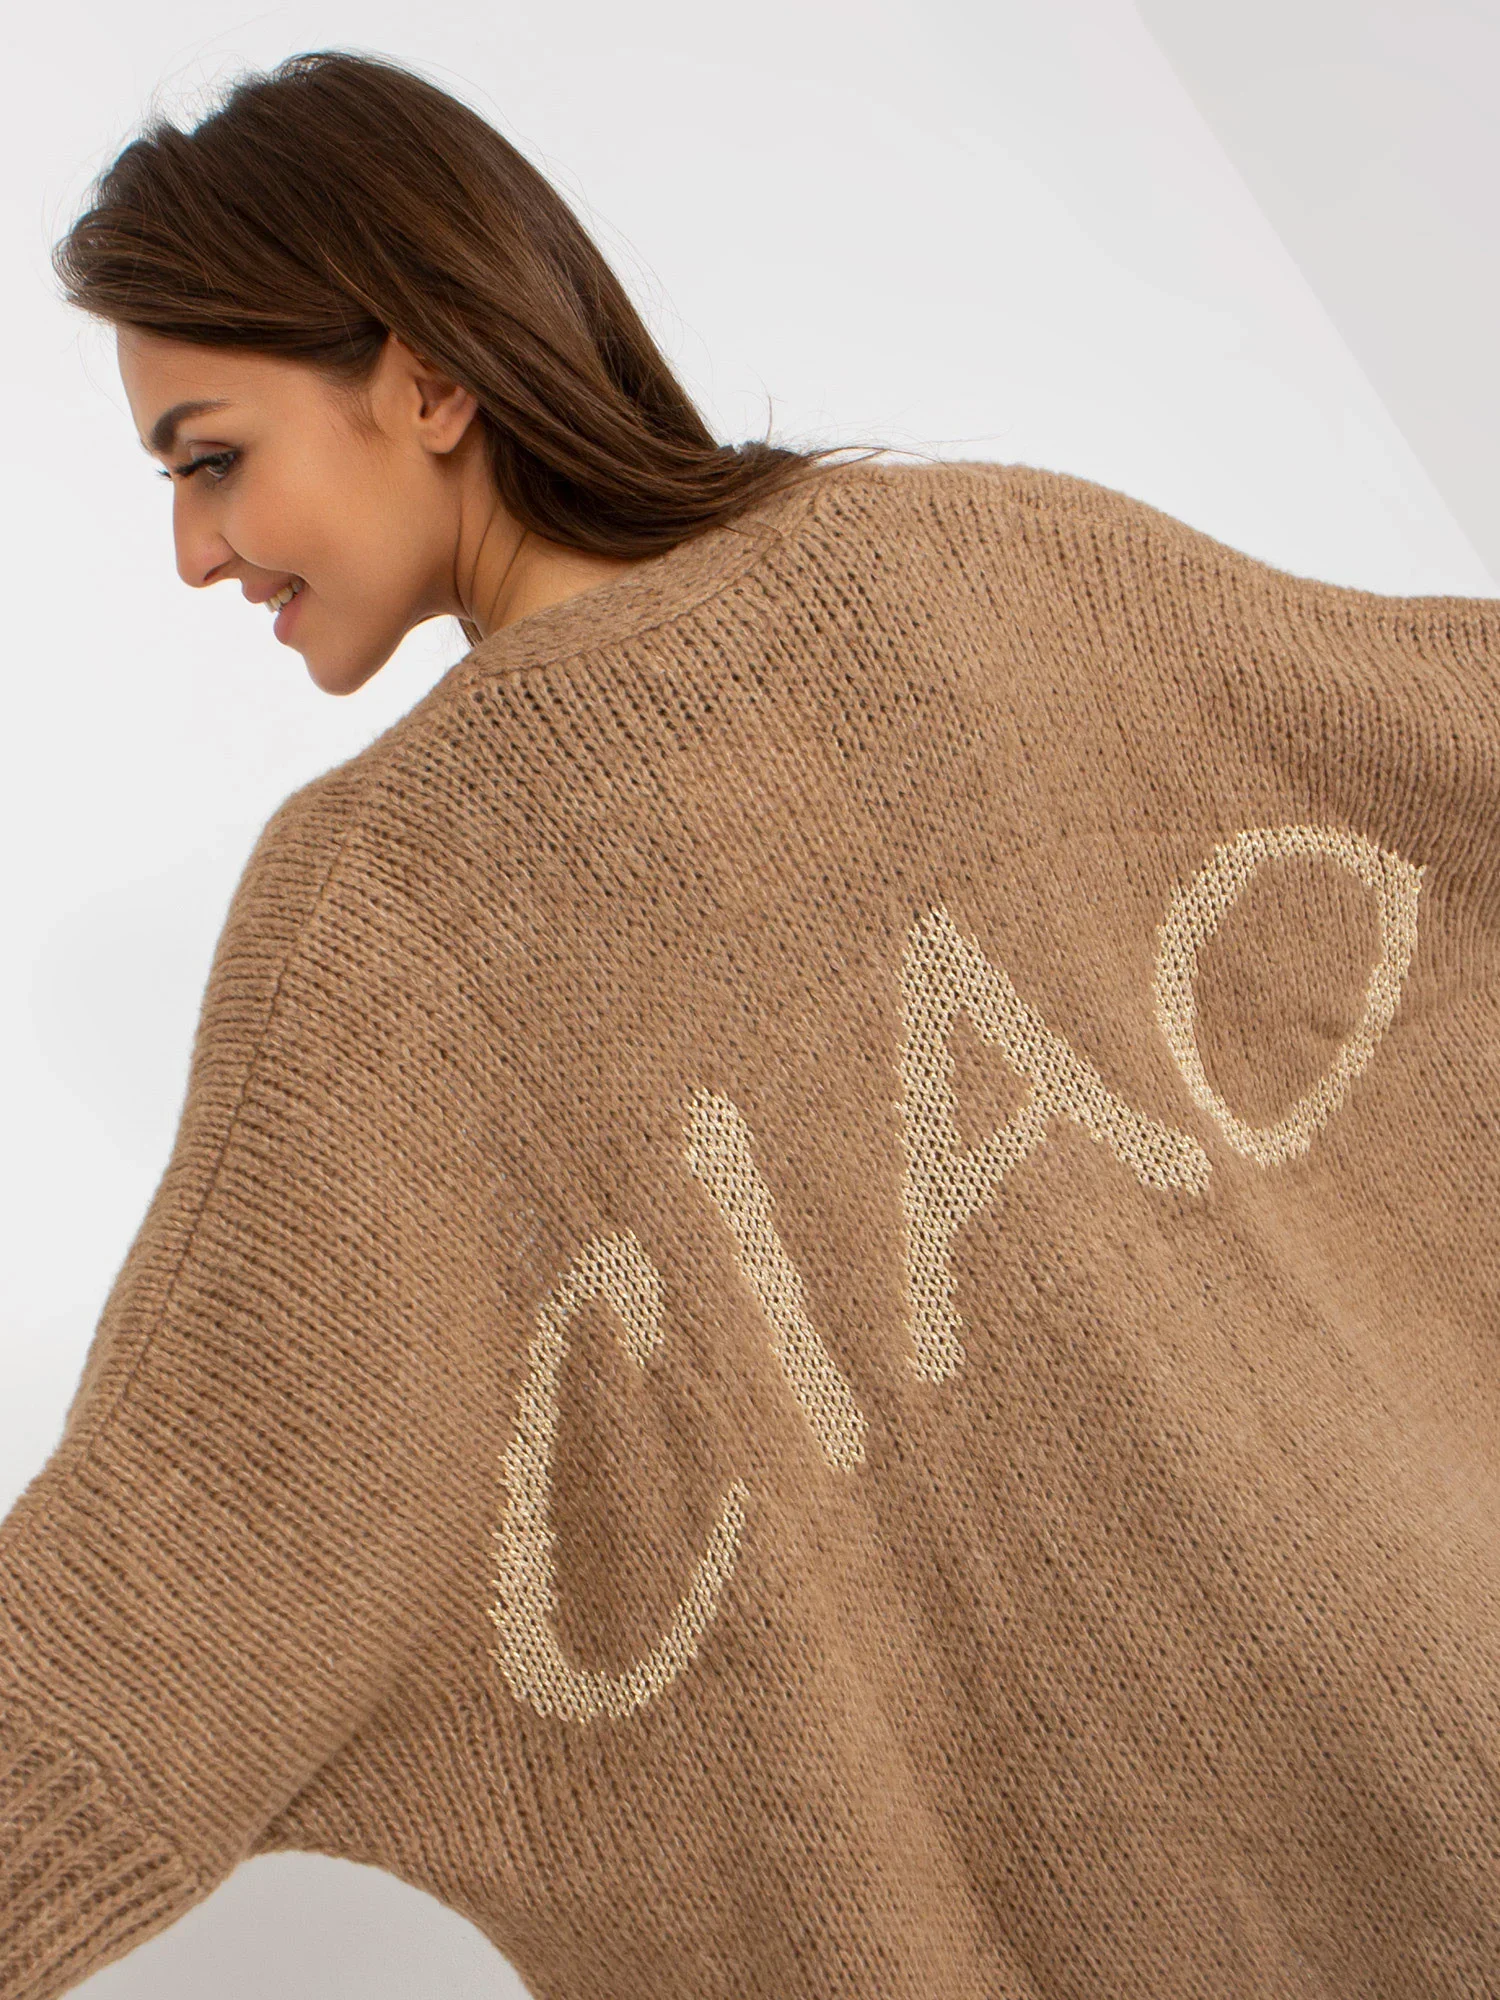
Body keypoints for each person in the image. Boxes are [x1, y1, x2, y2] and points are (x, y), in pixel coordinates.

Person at [4, 45, 1498, 2000]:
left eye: (210, 457)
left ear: (428, 380)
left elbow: (140, 1625)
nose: (194, 549)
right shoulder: (976, 564)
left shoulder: (387, 919)